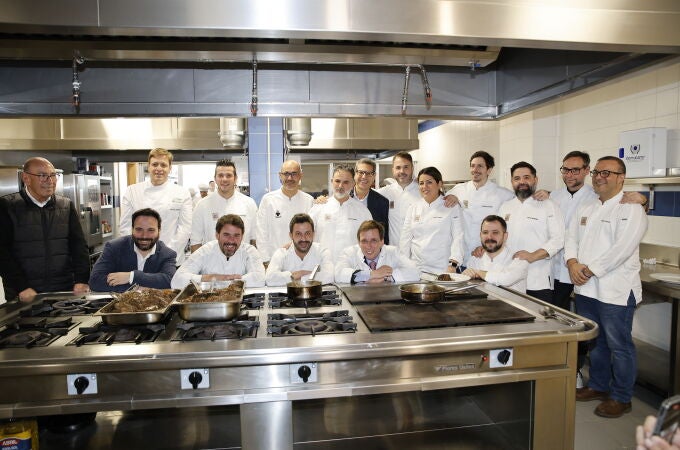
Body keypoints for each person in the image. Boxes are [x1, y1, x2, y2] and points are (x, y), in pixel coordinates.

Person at [567, 156, 648, 418]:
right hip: (587, 291)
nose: (600, 176)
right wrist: (572, 262)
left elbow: (622, 249)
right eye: (597, 172)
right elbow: (571, 238)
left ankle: (622, 397)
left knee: (619, 345)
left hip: (615, 291)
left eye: (607, 172)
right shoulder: (588, 208)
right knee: (596, 344)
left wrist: (589, 269)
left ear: (621, 177)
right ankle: (599, 386)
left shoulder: (631, 208)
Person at [532, 151, 648, 310]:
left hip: (587, 273)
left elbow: (628, 212)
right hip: (560, 268)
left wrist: (644, 200)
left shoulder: (596, 195)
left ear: (587, 171)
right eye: (565, 170)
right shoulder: (553, 196)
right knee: (561, 314)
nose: (569, 175)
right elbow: (569, 236)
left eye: (575, 170)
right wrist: (572, 263)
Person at [0, 157, 90, 302]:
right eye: (43, 176)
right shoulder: (7, 206)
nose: (50, 181)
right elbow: (2, 253)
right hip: (25, 293)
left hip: (64, 289)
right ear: (26, 179)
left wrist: (82, 279)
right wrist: (21, 286)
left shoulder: (66, 206)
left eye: (53, 175)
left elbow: (79, 247)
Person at [497, 161, 564, 303]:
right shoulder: (505, 207)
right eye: (517, 178)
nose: (522, 182)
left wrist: (532, 256)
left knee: (539, 323)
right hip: (509, 278)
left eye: (526, 177)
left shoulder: (549, 205)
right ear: (511, 182)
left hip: (537, 280)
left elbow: (558, 239)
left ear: (535, 179)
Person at [119, 148, 192, 264]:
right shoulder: (132, 191)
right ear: (148, 166)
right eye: (155, 164)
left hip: (172, 259)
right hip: (139, 258)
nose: (159, 169)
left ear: (170, 168)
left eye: (163, 165)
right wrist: (140, 252)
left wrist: (165, 254)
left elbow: (185, 229)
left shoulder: (182, 193)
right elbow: (125, 227)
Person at [444, 151, 514, 266]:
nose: (475, 170)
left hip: (486, 254)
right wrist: (449, 197)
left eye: (480, 166)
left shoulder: (503, 195)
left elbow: (508, 225)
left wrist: (487, 246)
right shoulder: (458, 190)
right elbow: (439, 203)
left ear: (489, 170)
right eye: (472, 166)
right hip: (460, 254)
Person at [89, 208, 177, 292]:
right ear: (132, 229)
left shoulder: (167, 254)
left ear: (159, 230)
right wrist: (136, 289)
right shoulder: (114, 247)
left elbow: (170, 281)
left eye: (151, 230)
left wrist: (132, 276)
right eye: (139, 230)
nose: (144, 236)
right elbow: (95, 281)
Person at [172, 214, 265, 288]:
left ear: (242, 236)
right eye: (226, 235)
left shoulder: (249, 251)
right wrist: (210, 278)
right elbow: (177, 280)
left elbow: (259, 278)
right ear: (217, 235)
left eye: (236, 235)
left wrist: (227, 281)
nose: (231, 240)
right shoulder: (206, 251)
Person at [400, 166, 465, 274]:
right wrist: (403, 264)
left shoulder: (451, 206)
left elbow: (458, 237)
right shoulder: (413, 208)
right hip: (417, 268)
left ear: (439, 184)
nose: (424, 186)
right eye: (421, 183)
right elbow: (405, 239)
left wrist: (453, 264)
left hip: (442, 269)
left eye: (429, 182)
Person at [191, 159, 257, 252]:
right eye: (220, 175)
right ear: (215, 178)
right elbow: (195, 241)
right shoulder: (202, 205)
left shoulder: (249, 204)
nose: (224, 179)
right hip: (211, 263)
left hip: (241, 262)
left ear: (235, 178)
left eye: (229, 175)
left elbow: (254, 239)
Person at [256, 160, 314, 263]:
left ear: (300, 175)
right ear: (280, 175)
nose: (290, 178)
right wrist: (265, 261)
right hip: (274, 262)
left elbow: (312, 234)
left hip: (303, 261)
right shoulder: (268, 200)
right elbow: (261, 233)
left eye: (294, 174)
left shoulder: (309, 201)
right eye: (286, 174)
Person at [309, 164, 372, 257]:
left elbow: (369, 242)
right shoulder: (318, 208)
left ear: (353, 183)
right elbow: (306, 238)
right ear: (331, 182)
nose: (340, 186)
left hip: (351, 267)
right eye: (337, 181)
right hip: (323, 266)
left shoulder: (362, 211)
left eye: (346, 182)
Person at [335, 220, 419, 284]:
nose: (368, 245)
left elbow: (415, 272)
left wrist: (386, 277)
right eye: (364, 241)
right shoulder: (349, 253)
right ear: (358, 242)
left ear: (382, 241)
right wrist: (372, 274)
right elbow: (338, 274)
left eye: (373, 240)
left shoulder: (393, 252)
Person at [463, 215, 529, 292]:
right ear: (480, 235)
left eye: (495, 233)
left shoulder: (519, 259)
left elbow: (506, 279)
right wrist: (465, 275)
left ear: (505, 236)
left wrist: (479, 272)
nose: (489, 237)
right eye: (485, 232)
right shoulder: (474, 259)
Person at [265, 213, 333, 286]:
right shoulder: (282, 253)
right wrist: (300, 274)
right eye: (298, 234)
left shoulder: (322, 251)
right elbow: (269, 279)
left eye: (307, 233)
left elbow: (329, 276)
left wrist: (300, 276)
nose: (303, 238)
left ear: (313, 234)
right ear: (291, 235)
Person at [377, 151, 420, 250]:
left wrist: (453, 196)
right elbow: (364, 195)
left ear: (412, 168)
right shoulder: (385, 192)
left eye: (406, 167)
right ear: (393, 170)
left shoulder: (423, 191)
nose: (402, 171)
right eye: (398, 167)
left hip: (417, 254)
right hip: (393, 252)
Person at [352, 158, 390, 244]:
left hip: (371, 252)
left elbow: (384, 235)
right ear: (355, 174)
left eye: (369, 173)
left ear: (374, 176)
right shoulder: (345, 198)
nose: (364, 177)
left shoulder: (382, 203)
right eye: (361, 172)